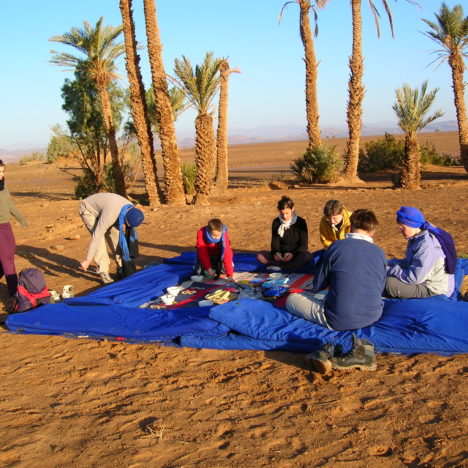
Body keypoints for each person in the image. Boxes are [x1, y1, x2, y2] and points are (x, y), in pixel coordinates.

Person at [286, 209, 387, 370]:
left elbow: (318, 284)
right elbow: (380, 287)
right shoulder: (380, 254)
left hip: (338, 318)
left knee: (292, 300)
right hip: (373, 315)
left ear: (350, 226)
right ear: (372, 232)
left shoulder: (337, 247)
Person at [385, 206, 456, 299]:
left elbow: (413, 278)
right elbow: (410, 263)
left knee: (390, 284)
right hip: (425, 280)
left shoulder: (426, 246)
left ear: (412, 225)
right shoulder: (417, 238)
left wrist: (389, 269)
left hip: (434, 289)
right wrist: (390, 263)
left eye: (402, 227)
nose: (400, 230)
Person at [79, 193, 144, 284]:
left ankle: (122, 267)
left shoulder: (131, 209)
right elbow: (96, 238)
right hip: (89, 209)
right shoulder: (111, 214)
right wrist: (87, 260)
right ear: (125, 218)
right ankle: (103, 271)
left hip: (107, 209)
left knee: (117, 238)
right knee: (100, 239)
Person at [256, 195, 312, 271]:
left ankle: (281, 267)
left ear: (292, 209)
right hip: (281, 256)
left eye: (287, 213)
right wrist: (277, 254)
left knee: (307, 256)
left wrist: (292, 254)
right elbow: (275, 243)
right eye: (282, 214)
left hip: (296, 255)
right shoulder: (276, 222)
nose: (284, 216)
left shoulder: (301, 222)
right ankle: (285, 266)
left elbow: (304, 245)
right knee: (260, 255)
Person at [0, 160, 28, 296]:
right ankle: (14, 289)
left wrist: (21, 218)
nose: (1, 174)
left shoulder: (3, 186)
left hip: (6, 225)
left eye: (2, 171)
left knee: (10, 252)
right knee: (6, 257)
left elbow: (10, 205)